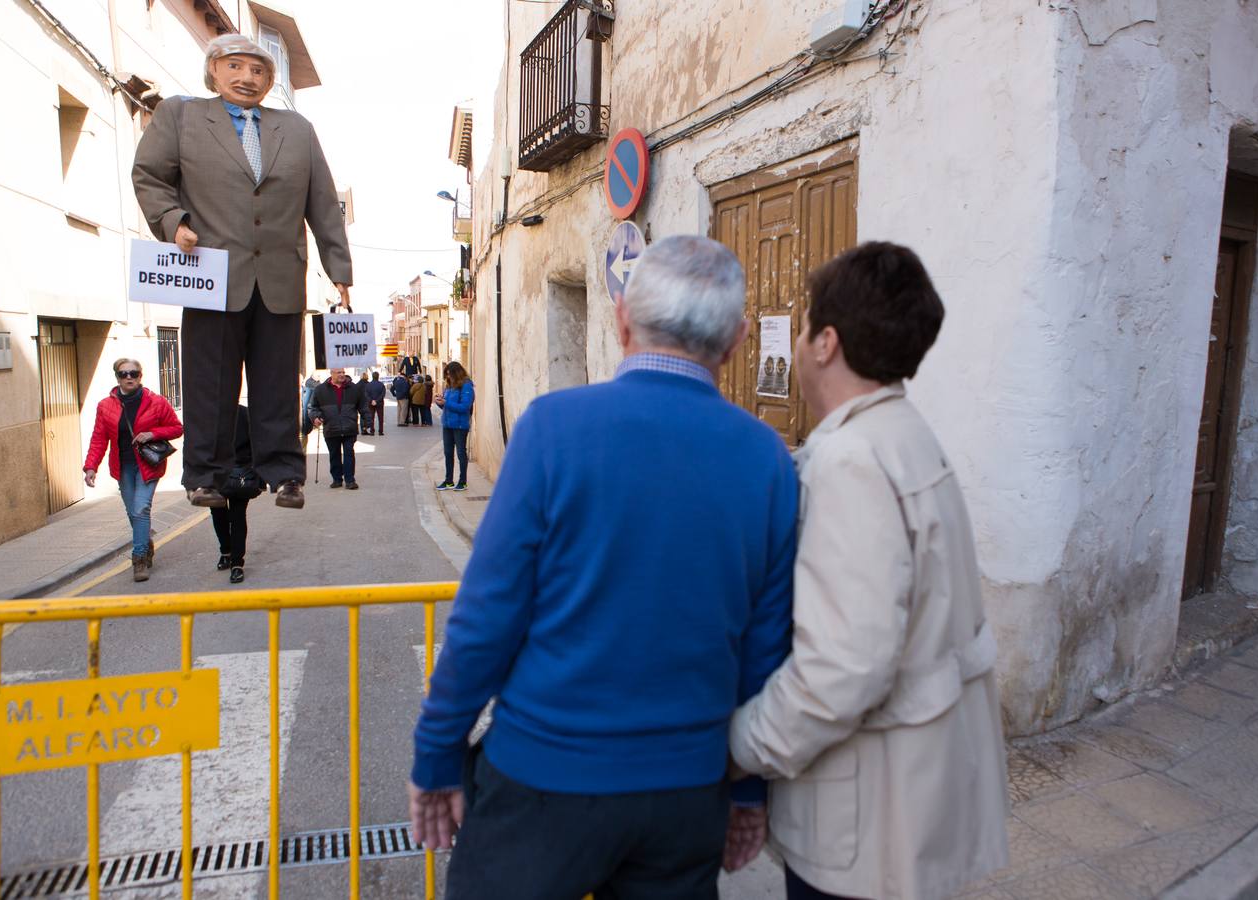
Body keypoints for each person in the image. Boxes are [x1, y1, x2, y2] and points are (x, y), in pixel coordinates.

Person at [409, 236, 798, 899]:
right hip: (686, 790)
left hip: (543, 782)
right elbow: (766, 648)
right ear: (734, 341)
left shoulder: (553, 428)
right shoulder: (766, 458)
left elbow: (488, 616)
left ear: (622, 321)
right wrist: (750, 790)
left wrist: (439, 751)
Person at [728, 243, 1009, 900]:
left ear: (825, 343)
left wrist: (740, 744)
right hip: (913, 803)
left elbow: (843, 670)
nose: (797, 343)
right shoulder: (906, 435)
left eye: (803, 328)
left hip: (868, 829)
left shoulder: (851, 462)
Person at [132, 34, 352, 511]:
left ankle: (286, 474)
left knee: (277, 381)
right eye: (234, 67)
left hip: (280, 275)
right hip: (210, 274)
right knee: (209, 382)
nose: (246, 78)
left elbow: (323, 204)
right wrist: (175, 223)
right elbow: (149, 175)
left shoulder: (296, 128)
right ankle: (204, 476)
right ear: (214, 71)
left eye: (258, 71)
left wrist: (339, 270)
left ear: (270, 81)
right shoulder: (181, 115)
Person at [83, 359, 184, 583]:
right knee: (133, 512)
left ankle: (139, 559)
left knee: (140, 509)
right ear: (117, 377)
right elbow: (99, 439)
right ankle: (145, 541)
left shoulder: (156, 402)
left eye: (134, 373)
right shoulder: (105, 406)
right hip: (123, 467)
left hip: (148, 465)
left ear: (141, 375)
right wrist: (91, 466)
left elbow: (177, 428)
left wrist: (152, 434)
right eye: (123, 374)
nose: (129, 377)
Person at [209, 405, 265, 584]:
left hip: (241, 473)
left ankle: (236, 563)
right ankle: (226, 551)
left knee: (238, 516)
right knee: (218, 513)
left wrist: (260, 476)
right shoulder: (207, 413)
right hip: (215, 473)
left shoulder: (246, 414)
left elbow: (258, 445)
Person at [308, 369, 366, 489]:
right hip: (331, 427)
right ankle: (337, 479)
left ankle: (350, 480)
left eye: (343, 372)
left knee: (349, 453)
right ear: (331, 374)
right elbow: (312, 407)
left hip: (349, 427)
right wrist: (315, 417)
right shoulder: (320, 389)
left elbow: (363, 406)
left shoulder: (354, 389)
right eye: (338, 372)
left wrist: (368, 422)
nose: (342, 375)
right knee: (334, 454)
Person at [434, 362, 474, 492]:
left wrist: (447, 402)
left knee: (461, 453)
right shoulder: (449, 386)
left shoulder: (466, 385)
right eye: (446, 375)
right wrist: (440, 402)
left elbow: (464, 407)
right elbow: (447, 405)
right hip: (447, 424)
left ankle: (463, 482)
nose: (448, 377)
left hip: (460, 425)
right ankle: (448, 481)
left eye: (449, 374)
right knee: (448, 453)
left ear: (456, 373)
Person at [299, 374, 319, 451]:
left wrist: (315, 418)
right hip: (291, 428)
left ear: (302, 381)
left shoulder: (309, 391)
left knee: (303, 451)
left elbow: (312, 407)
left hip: (304, 426)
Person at [364, 371, 387, 436]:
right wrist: (376, 401)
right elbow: (383, 394)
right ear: (378, 377)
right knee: (380, 418)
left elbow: (366, 394)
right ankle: (380, 431)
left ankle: (372, 431)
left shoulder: (368, 385)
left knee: (371, 418)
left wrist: (371, 400)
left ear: (372, 376)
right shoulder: (381, 384)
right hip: (379, 403)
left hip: (370, 404)